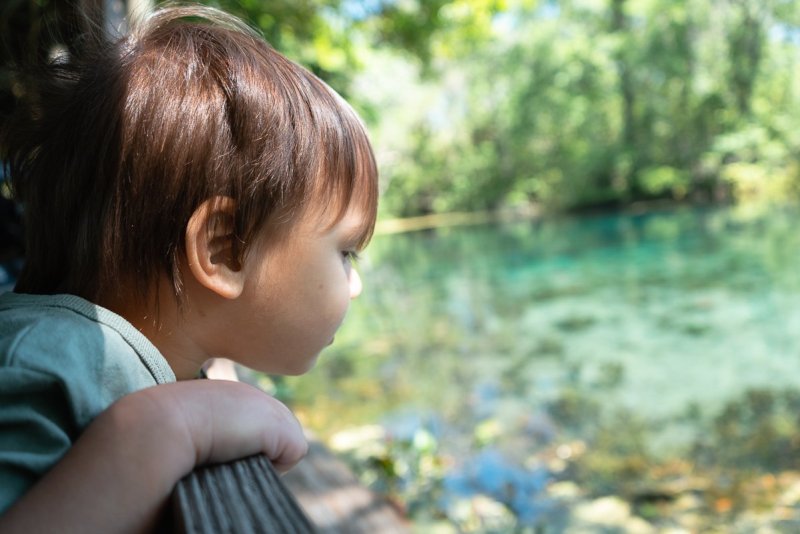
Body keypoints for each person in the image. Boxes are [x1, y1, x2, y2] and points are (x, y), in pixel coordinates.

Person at [0, 4, 378, 532]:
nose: (355, 285)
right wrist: (173, 428)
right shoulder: (44, 361)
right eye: (345, 252)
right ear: (224, 250)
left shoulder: (111, 359)